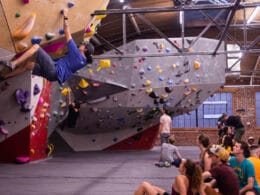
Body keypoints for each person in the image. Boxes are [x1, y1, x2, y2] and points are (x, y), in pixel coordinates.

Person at [0, 8, 94, 84]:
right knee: (29, 65)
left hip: (54, 70)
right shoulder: (84, 62)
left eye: (83, 45)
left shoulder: (77, 53)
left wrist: (65, 15)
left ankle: (13, 63)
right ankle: (4, 77)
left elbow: (67, 32)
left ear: (84, 49)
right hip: (53, 76)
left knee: (36, 47)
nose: (81, 45)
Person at [134, 159, 206, 195]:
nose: (179, 164)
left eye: (181, 163)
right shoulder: (196, 179)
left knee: (144, 185)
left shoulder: (180, 178)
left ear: (184, 169)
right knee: (153, 187)